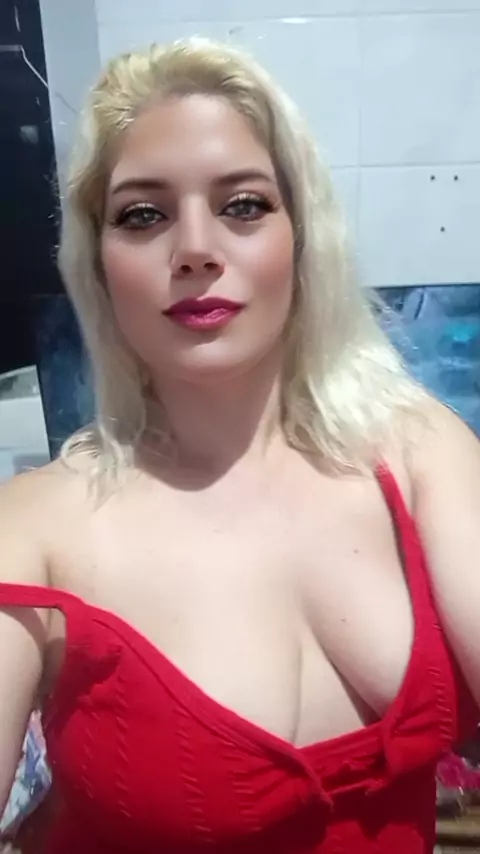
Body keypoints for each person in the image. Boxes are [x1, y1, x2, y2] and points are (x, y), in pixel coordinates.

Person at [0, 36, 479, 854]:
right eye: (143, 215)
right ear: (100, 264)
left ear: (303, 234)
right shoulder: (34, 525)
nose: (195, 248)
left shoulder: (415, 446)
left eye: (244, 205)